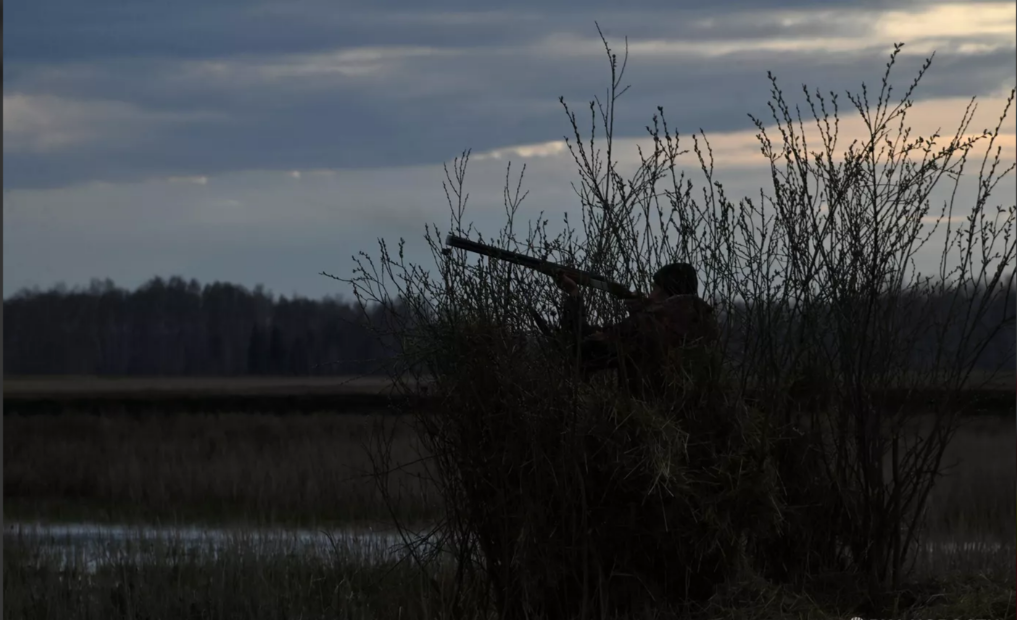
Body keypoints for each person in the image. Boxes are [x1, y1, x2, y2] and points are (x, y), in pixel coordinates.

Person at [556, 263, 719, 399]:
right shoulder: (706, 328)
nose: (649, 294)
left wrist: (574, 295)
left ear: (663, 291)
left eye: (654, 288)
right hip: (693, 426)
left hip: (646, 427)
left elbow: (582, 351)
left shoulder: (646, 324)